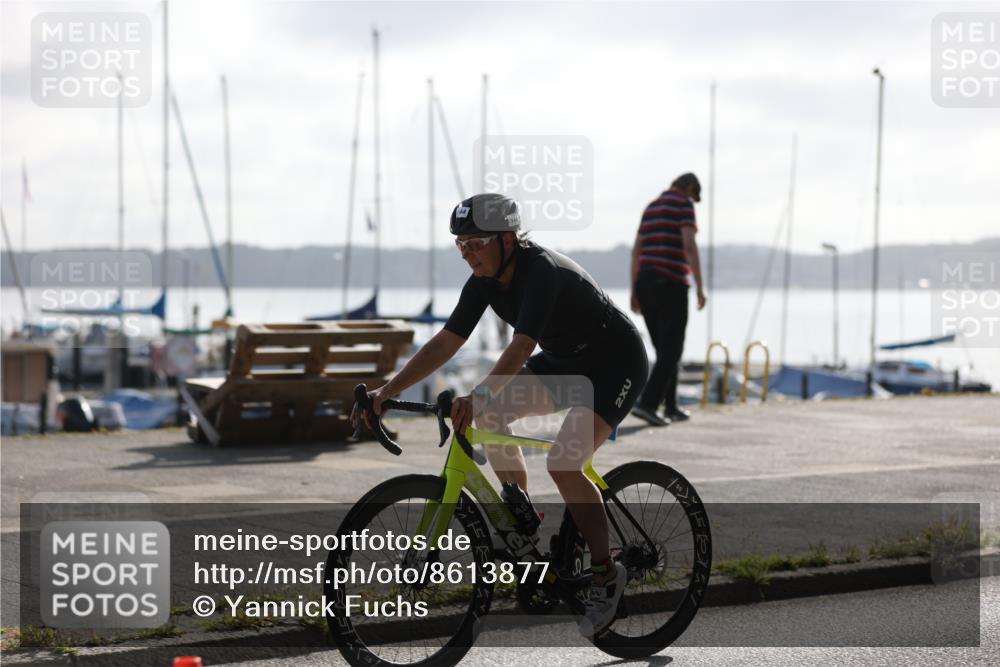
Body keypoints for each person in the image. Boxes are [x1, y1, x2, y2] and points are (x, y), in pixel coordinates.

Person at [355, 193, 649, 637]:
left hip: (615, 364)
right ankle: (523, 529)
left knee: (564, 462)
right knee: (492, 417)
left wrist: (479, 393)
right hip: (565, 362)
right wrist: (387, 390)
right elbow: (446, 342)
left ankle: (607, 574)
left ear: (508, 238)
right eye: (461, 246)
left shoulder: (541, 271)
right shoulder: (483, 283)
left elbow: (521, 346)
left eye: (476, 243)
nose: (468, 254)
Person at [629, 173, 707, 426]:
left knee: (665, 350)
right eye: (693, 196)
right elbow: (689, 245)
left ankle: (671, 406)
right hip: (671, 282)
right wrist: (699, 286)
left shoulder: (650, 207)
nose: (692, 202)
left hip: (645, 283)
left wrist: (634, 290)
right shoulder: (682, 204)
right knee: (672, 349)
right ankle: (648, 403)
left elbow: (637, 251)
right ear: (689, 188)